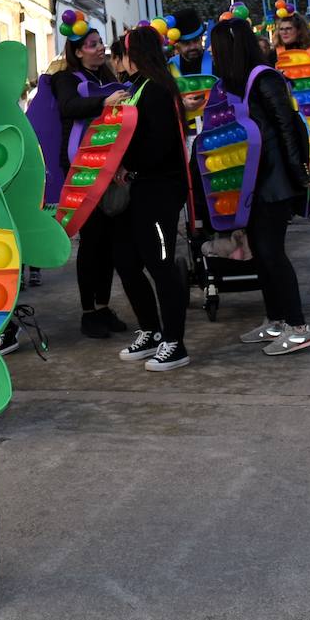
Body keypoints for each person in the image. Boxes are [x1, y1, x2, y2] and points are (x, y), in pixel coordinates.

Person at [209, 19, 310, 355]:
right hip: (251, 180)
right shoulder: (231, 83)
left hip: (274, 180)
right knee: (260, 252)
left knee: (272, 253)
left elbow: (287, 126)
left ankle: (299, 327)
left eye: (215, 46)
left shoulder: (264, 77)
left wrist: (299, 173)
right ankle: (276, 320)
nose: (211, 53)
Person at [112, 27, 193, 370]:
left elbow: (159, 148)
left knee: (161, 266)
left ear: (136, 55)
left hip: (158, 191)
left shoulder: (156, 90)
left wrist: (126, 163)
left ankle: (175, 342)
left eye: (124, 52)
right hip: (142, 190)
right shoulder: (139, 88)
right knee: (128, 262)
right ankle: (152, 330)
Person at [47, 29, 131, 340]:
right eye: (92, 44)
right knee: (92, 241)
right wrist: (104, 102)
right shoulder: (65, 78)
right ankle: (88, 312)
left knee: (108, 242)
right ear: (78, 51)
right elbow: (68, 107)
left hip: (110, 166)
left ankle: (103, 305)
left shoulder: (105, 77)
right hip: (81, 168)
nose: (99, 49)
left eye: (100, 43)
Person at [272, 12, 310, 221]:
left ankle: (308, 207)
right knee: (287, 162)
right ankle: (289, 208)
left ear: (299, 30)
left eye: (288, 29)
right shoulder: (273, 55)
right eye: (281, 29)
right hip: (286, 117)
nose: (284, 32)